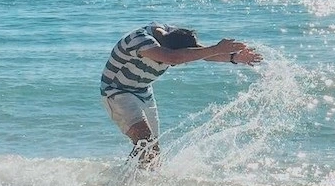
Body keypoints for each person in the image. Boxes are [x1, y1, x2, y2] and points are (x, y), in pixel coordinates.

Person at [100, 23, 262, 167]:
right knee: (145, 142)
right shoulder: (140, 40)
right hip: (117, 91)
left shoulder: (173, 36)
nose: (176, 64)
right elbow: (174, 57)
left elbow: (200, 53)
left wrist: (234, 58)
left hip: (143, 91)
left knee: (153, 150)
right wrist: (217, 48)